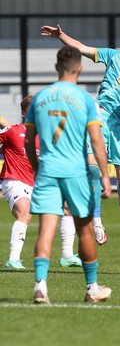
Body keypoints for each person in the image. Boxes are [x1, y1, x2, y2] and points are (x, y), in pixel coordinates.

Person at [41, 21, 120, 214]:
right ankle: (94, 220)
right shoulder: (114, 56)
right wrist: (60, 36)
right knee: (92, 170)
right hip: (101, 116)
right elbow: (80, 48)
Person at [25, 46, 112, 304]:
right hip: (75, 172)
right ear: (80, 68)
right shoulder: (86, 100)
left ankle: (40, 286)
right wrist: (106, 175)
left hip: (48, 170)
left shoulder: (40, 97)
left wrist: (35, 166)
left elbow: (29, 140)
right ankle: (91, 288)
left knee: (45, 231)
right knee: (84, 230)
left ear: (56, 68)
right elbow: (96, 141)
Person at [0, 101, 82, 269]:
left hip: (37, 183)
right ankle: (13, 259)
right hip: (14, 180)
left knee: (67, 206)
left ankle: (67, 256)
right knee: (25, 211)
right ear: (24, 113)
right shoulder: (13, 131)